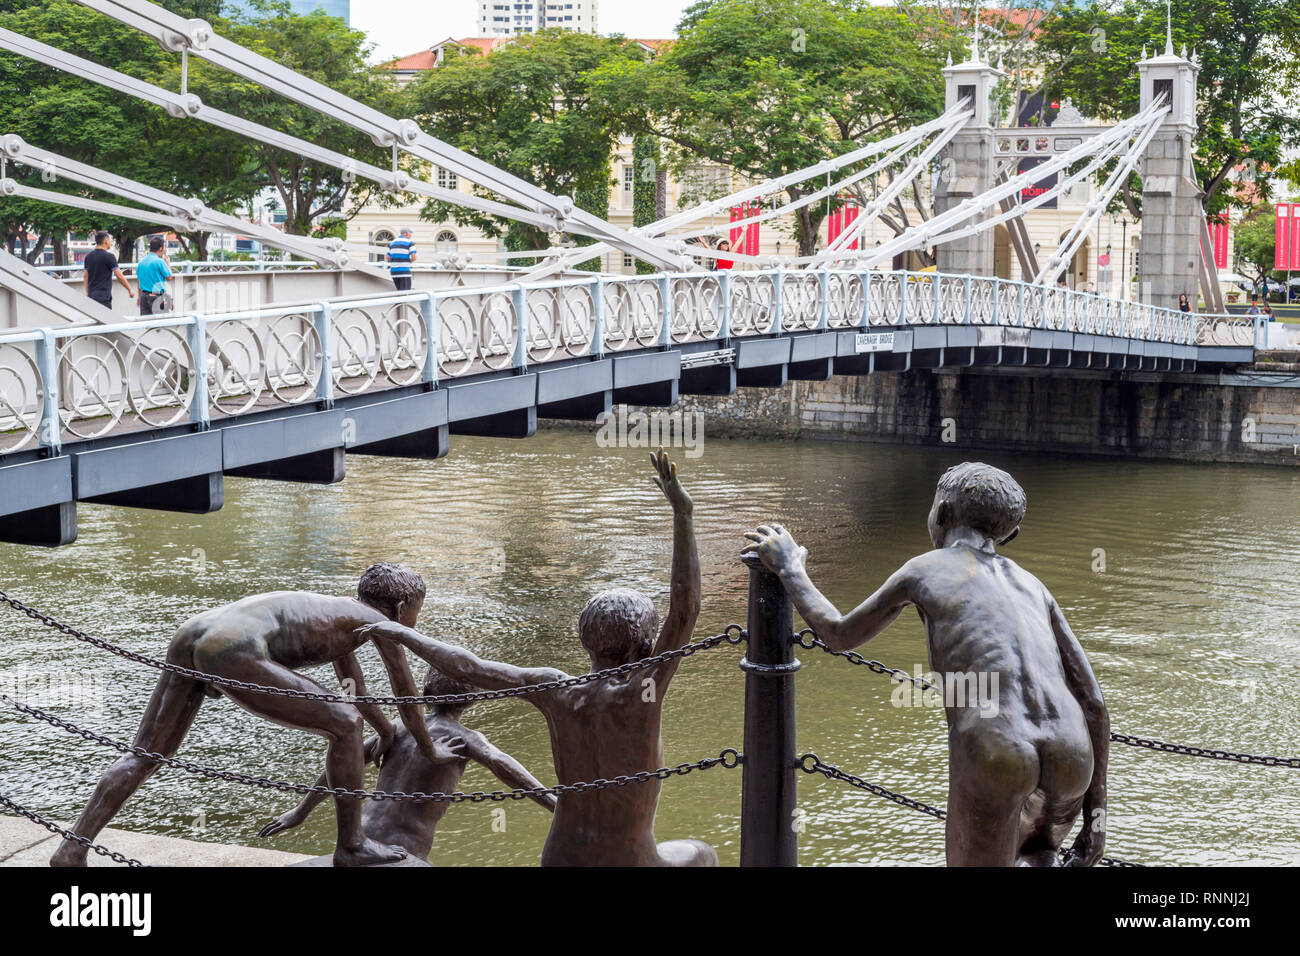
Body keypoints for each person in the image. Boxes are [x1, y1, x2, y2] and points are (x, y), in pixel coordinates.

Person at [359, 450, 717, 867]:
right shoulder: (641, 690)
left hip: (560, 856)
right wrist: (682, 514)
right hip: (627, 858)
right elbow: (685, 608)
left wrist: (402, 632)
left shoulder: (554, 688)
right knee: (700, 854)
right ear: (644, 646)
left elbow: (469, 666)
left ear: (586, 641)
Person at [743, 462, 1109, 867]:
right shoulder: (1033, 585)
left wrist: (790, 567)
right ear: (1009, 536)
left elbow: (838, 634)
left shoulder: (922, 569)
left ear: (942, 514)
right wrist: (1097, 823)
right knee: (1041, 858)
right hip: (1072, 752)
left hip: (998, 748)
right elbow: (1092, 701)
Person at [50, 564, 442, 868]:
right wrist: (428, 748)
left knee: (145, 753)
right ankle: (352, 845)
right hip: (234, 647)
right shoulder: (382, 624)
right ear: (405, 607)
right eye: (417, 611)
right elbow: (405, 691)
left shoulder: (341, 615)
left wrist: (386, 731)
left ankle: (71, 849)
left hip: (196, 632)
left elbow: (352, 687)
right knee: (344, 724)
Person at [258, 667, 557, 861]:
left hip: (360, 836)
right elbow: (504, 766)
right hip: (404, 849)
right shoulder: (465, 739)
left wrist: (301, 811)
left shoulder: (397, 730)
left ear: (426, 695)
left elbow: (341, 763)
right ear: (472, 698)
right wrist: (557, 804)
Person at [81, 231, 132, 311]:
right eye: (110, 240)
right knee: (106, 320)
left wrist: (88, 293)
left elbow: (85, 276)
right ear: (105, 241)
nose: (110, 242)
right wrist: (129, 289)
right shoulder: (109, 257)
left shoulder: (88, 256)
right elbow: (119, 276)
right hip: (103, 298)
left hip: (91, 296)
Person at [136, 235, 173, 315]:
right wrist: (168, 264)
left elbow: (138, 282)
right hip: (157, 296)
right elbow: (169, 277)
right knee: (161, 322)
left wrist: (139, 297)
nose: (165, 249)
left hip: (144, 296)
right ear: (160, 248)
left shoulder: (141, 262)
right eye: (164, 247)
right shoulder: (160, 262)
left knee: (147, 323)